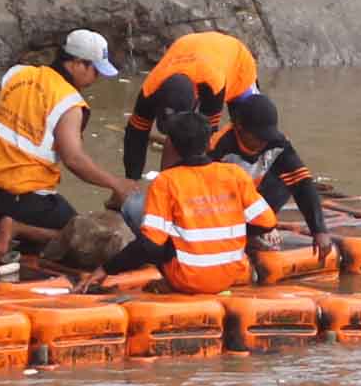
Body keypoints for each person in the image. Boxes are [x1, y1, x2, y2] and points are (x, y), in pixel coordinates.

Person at [0, 28, 138, 254]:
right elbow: (74, 159)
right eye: (95, 71)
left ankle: (2, 226)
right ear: (78, 64)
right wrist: (116, 184)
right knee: (84, 237)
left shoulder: (15, 74)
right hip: (27, 199)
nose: (96, 79)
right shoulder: (69, 102)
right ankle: (16, 229)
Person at [88, 112, 276, 294]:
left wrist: (106, 269)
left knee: (134, 205)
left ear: (173, 146)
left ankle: (172, 281)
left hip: (186, 279)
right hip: (230, 274)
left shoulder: (167, 181)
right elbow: (267, 222)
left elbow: (150, 245)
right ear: (209, 141)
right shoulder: (235, 174)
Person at [209, 94, 334, 262]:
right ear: (239, 127)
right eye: (258, 137)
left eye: (266, 137)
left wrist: (319, 230)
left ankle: (256, 231)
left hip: (254, 197)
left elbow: (302, 183)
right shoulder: (218, 146)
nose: (263, 143)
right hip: (222, 203)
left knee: (289, 178)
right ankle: (245, 234)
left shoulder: (277, 143)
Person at [120, 30, 259, 180]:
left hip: (236, 65)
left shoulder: (212, 86)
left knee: (250, 131)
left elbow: (208, 141)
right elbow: (135, 136)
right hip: (192, 53)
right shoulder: (150, 90)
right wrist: (131, 181)